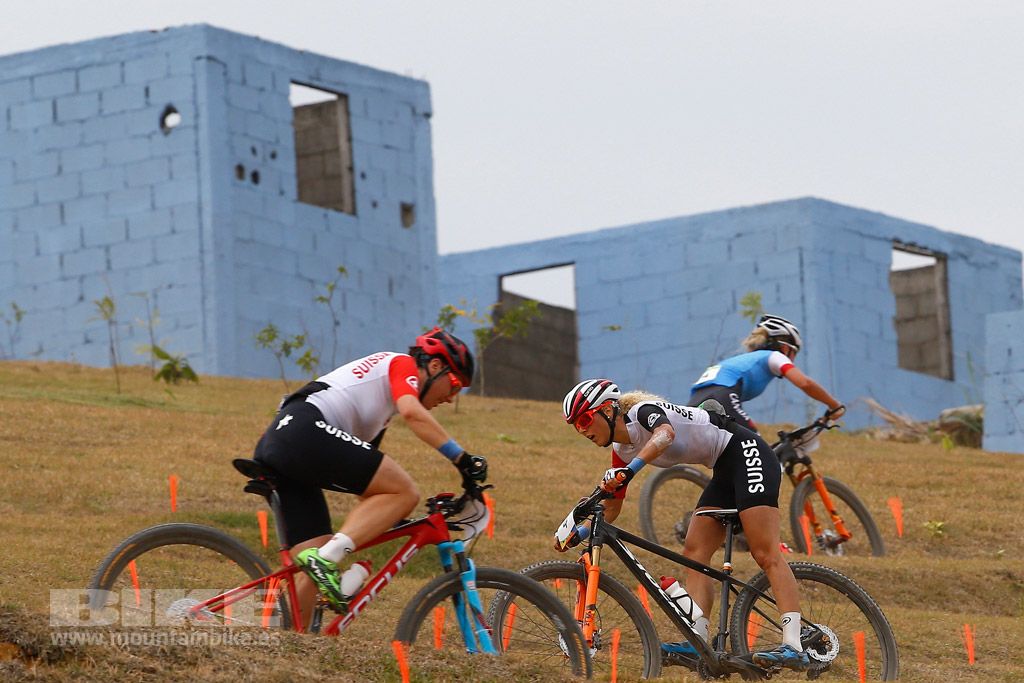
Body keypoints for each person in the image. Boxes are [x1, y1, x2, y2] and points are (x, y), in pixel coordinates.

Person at [558, 378, 810, 671]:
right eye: (576, 425)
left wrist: (630, 471)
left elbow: (665, 434)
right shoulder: (621, 450)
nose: (583, 429)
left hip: (747, 451)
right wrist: (580, 532)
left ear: (608, 409)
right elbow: (612, 508)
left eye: (585, 419)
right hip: (724, 469)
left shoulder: (641, 412)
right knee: (695, 553)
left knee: (764, 552)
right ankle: (698, 640)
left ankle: (794, 645)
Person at [253, 327, 487, 620]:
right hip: (302, 429)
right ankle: (326, 559)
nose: (452, 397)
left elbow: (368, 488)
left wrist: (395, 517)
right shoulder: (401, 364)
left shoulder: (379, 412)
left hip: (285, 443)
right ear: (435, 365)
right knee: (404, 491)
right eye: (453, 384)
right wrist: (462, 459)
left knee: (309, 571)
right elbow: (414, 415)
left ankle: (284, 644)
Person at [689, 314, 845, 431]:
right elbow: (805, 383)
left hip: (696, 400)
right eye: (793, 353)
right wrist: (834, 405)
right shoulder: (774, 356)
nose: (793, 360)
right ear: (785, 347)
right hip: (722, 396)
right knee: (757, 448)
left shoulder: (745, 359)